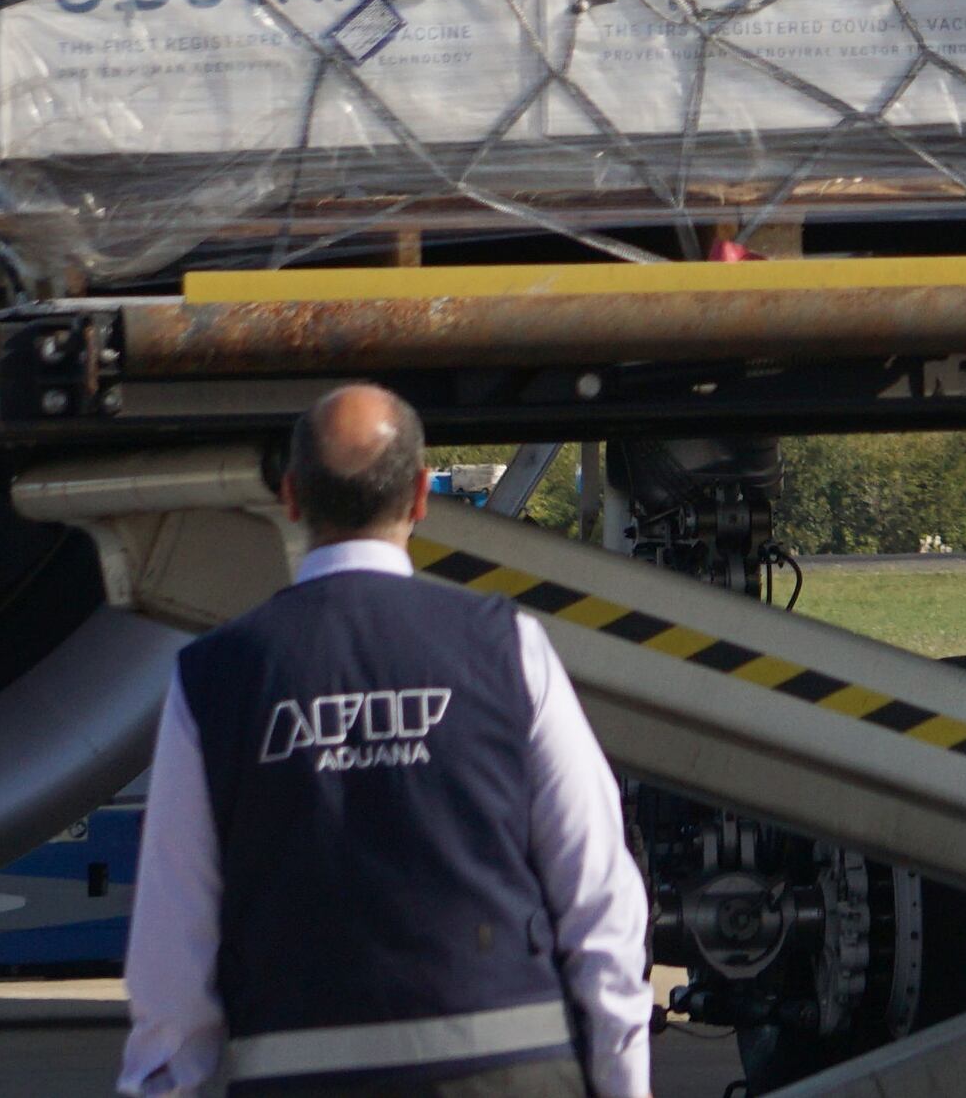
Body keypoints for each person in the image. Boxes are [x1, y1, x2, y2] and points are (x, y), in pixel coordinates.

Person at [120, 387, 652, 1098]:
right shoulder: (506, 647)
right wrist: (624, 1082)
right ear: (420, 494)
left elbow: (172, 953)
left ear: (290, 495)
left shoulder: (214, 678)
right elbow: (598, 895)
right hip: (508, 1072)